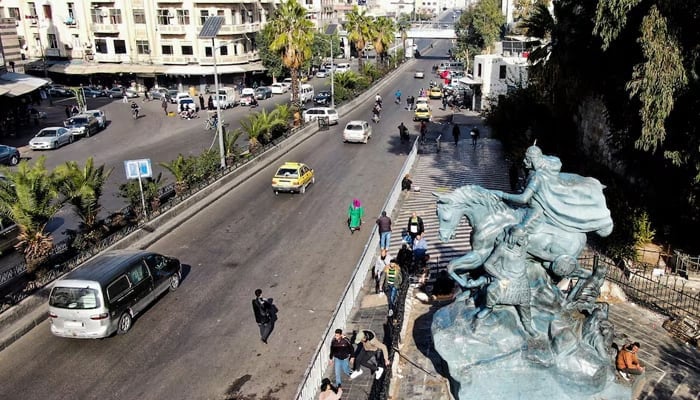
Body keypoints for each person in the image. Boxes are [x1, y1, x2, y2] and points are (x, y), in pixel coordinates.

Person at [491, 143, 614, 237]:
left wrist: (501, 194)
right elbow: (548, 159)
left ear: (532, 161)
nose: (524, 161)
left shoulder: (537, 177)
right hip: (533, 205)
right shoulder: (545, 169)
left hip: (536, 210)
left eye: (527, 159)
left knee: (517, 234)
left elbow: (523, 199)